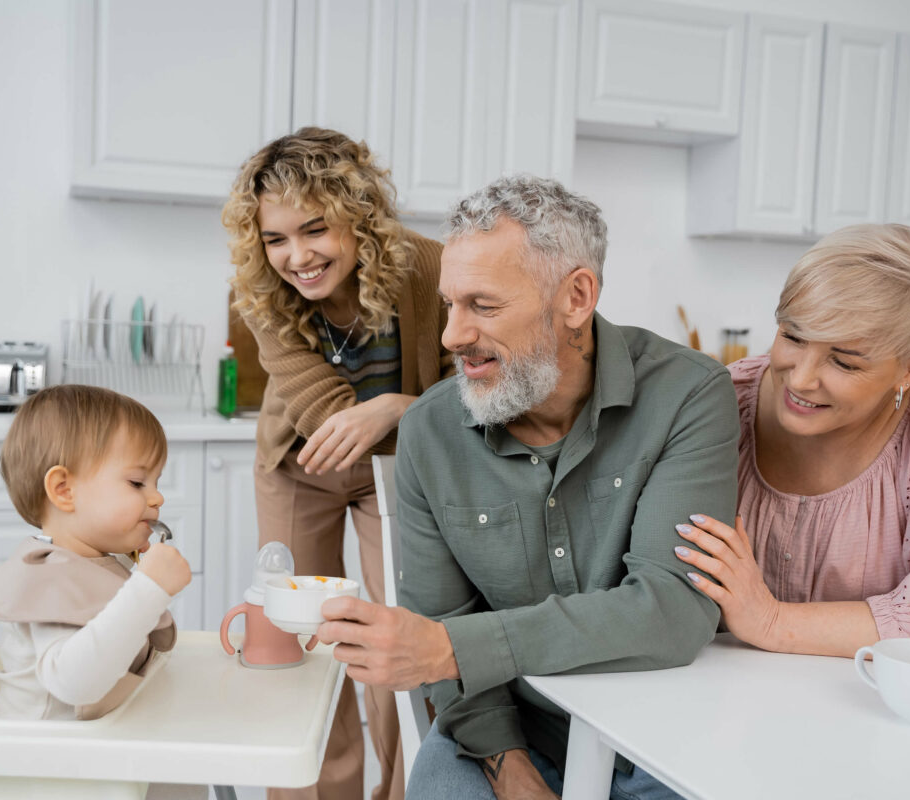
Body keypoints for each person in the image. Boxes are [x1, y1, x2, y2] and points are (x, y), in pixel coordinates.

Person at [312, 175, 740, 800]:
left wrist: (452, 648)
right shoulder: (431, 430)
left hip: (659, 735)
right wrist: (511, 771)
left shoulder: (688, 395)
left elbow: (673, 611)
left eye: (482, 306)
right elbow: (442, 636)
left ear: (576, 297)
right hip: (508, 729)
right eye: (449, 305)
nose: (451, 336)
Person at [674, 223, 910, 664]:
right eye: (792, 336)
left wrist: (772, 621)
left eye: (844, 362)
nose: (800, 378)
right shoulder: (719, 399)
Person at [221, 126, 450, 800]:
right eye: (276, 239)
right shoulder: (260, 288)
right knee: (296, 640)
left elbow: (472, 385)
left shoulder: (429, 267)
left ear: (360, 214)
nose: (297, 256)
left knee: (395, 634)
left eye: (315, 229)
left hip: (398, 465)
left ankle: (408, 790)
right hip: (301, 464)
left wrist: (398, 407)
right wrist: (393, 411)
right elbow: (322, 412)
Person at [0, 384, 192, 721]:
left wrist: (129, 564)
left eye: (157, 482)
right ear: (64, 491)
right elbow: (76, 684)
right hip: (41, 761)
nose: (157, 498)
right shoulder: (48, 578)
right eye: (138, 483)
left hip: (88, 748)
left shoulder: (87, 562)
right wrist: (150, 587)